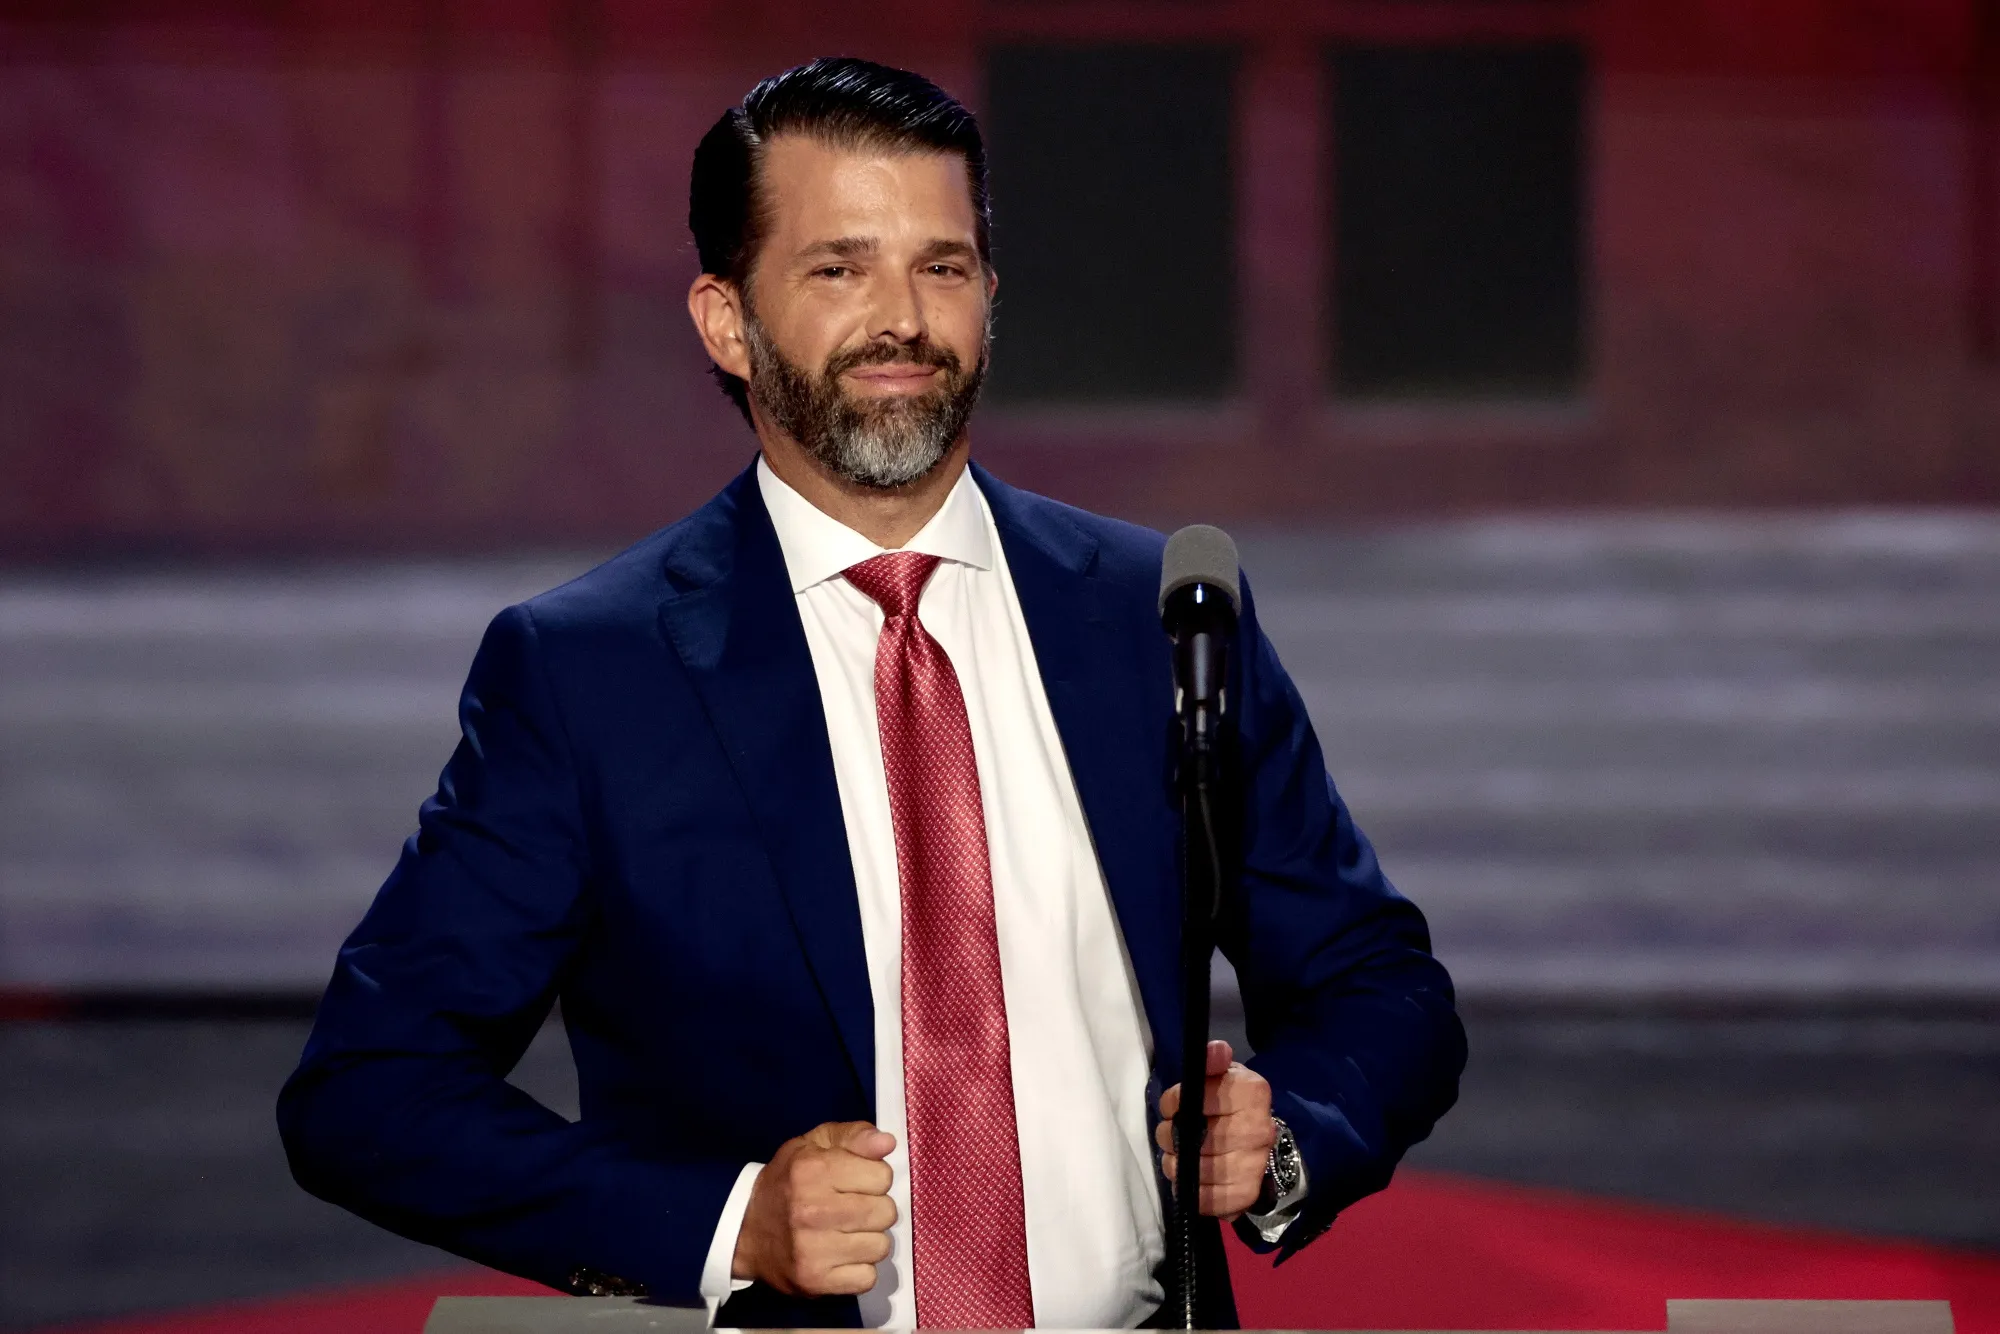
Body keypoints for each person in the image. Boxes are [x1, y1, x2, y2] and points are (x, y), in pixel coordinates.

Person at [278, 56, 1465, 1330]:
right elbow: (370, 1088)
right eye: (838, 269)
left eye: (940, 266)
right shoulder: (589, 674)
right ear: (725, 321)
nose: (901, 318)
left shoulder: (1159, 612)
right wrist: (729, 1222)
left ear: (989, 296)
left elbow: (1378, 982)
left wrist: (1282, 1138)